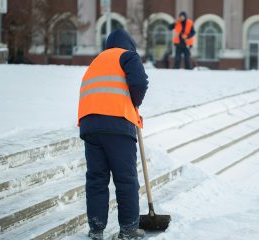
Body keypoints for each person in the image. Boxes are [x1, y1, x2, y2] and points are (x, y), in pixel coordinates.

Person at [77, 29, 148, 240]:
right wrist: (135, 102)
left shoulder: (96, 61)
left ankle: (96, 229)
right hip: (117, 124)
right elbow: (139, 82)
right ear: (129, 45)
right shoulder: (127, 55)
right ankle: (128, 230)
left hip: (90, 126)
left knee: (97, 179)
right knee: (125, 179)